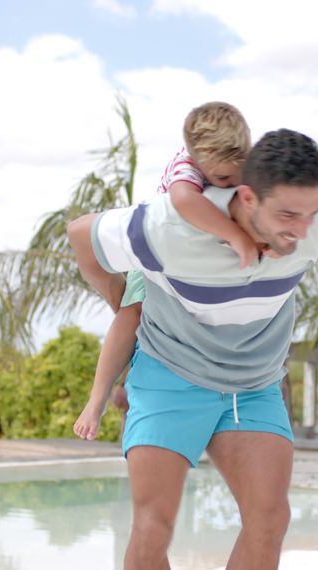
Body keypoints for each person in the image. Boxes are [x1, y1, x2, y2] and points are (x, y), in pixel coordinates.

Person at [67, 128, 318, 568]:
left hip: (253, 385)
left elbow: (304, 216)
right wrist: (118, 297)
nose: (303, 229)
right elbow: (81, 234)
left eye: (310, 212)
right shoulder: (169, 231)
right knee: (153, 527)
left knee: (270, 520)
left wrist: (296, 219)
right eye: (289, 215)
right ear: (248, 198)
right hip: (170, 374)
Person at [73, 101, 256, 441]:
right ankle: (97, 398)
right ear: (198, 161)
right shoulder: (185, 163)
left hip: (206, 263)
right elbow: (185, 201)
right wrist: (235, 235)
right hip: (164, 253)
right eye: (224, 178)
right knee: (132, 314)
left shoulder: (245, 159)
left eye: (239, 172)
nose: (234, 180)